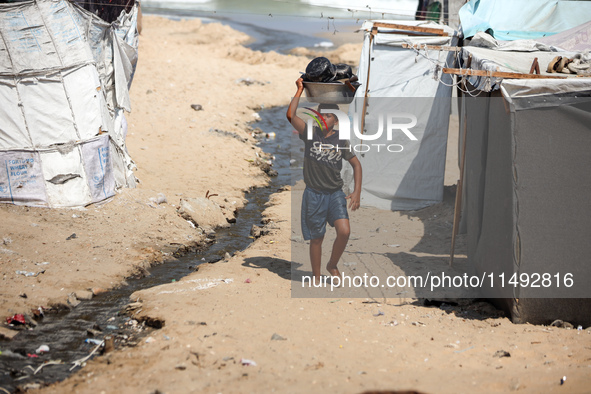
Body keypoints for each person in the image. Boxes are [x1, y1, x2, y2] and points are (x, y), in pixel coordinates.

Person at [286, 77, 362, 283]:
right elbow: (291, 115)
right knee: (317, 238)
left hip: (335, 193)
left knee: (344, 231)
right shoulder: (310, 134)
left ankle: (332, 265)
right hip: (314, 194)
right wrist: (299, 90)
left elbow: (356, 165)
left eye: (329, 116)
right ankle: (316, 276)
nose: (324, 119)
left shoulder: (341, 140)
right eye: (321, 115)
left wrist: (356, 192)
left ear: (336, 120)